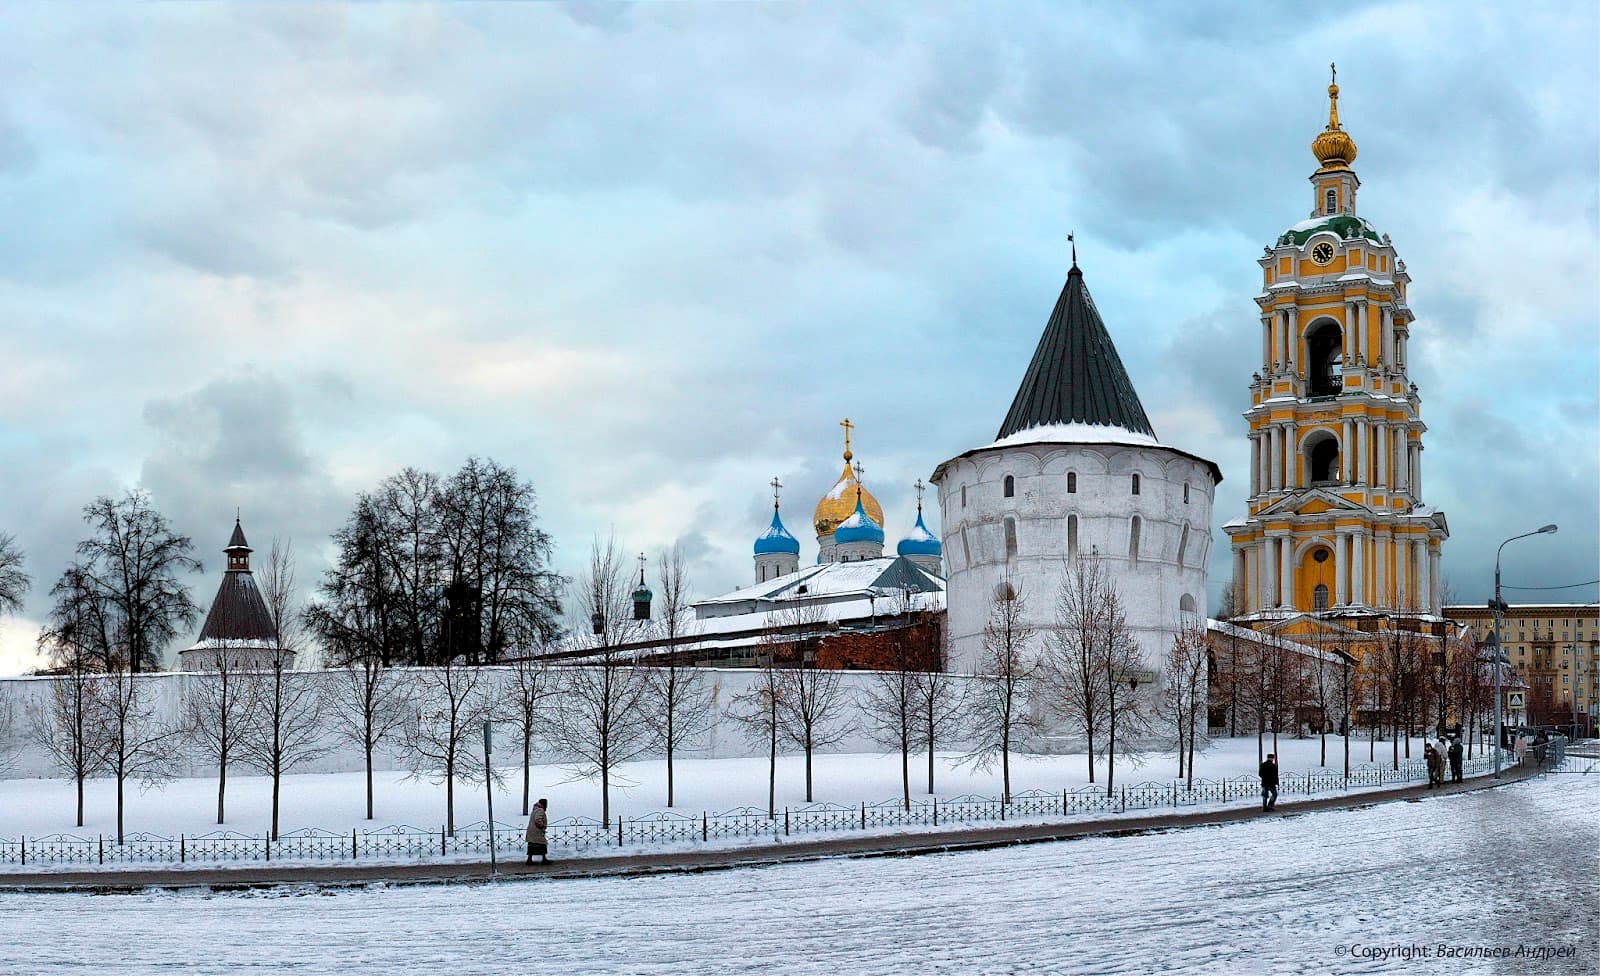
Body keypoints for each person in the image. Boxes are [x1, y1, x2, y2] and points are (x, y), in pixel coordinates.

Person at [525, 797, 549, 866]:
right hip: (537, 831)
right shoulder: (540, 810)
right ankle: (544, 859)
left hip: (532, 831)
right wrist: (541, 825)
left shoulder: (535, 809)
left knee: (532, 845)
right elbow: (538, 819)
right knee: (542, 844)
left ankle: (529, 859)